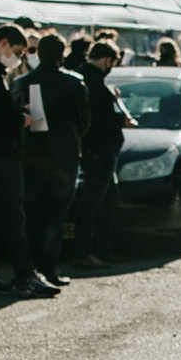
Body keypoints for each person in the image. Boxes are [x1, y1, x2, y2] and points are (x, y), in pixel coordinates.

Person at [0, 24, 55, 298]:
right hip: (1, 153)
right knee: (12, 215)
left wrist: (16, 114)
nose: (18, 58)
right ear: (4, 43)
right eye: (17, 52)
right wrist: (20, 118)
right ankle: (24, 274)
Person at [21, 30, 92, 288]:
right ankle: (48, 267)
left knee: (32, 213)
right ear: (62, 54)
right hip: (65, 154)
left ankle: (29, 267)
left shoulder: (23, 82)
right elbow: (84, 121)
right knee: (56, 214)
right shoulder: (74, 83)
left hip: (32, 154)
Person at [70, 39, 132, 267]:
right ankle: (86, 251)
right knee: (94, 201)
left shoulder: (86, 78)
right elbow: (94, 118)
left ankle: (100, 250)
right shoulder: (92, 82)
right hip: (98, 149)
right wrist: (120, 120)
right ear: (107, 59)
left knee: (106, 200)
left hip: (97, 149)